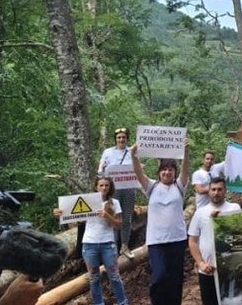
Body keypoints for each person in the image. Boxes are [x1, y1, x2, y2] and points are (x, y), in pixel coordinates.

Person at [130, 141, 190, 305]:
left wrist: (185, 153)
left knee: (175, 278)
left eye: (170, 169)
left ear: (174, 172)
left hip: (177, 239)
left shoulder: (179, 186)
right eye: (164, 169)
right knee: (159, 276)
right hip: (156, 241)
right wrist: (134, 155)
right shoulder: (151, 187)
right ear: (159, 173)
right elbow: (138, 173)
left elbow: (185, 169)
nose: (167, 172)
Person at [54, 177, 129, 305]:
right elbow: (70, 213)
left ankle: (123, 302)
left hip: (108, 243)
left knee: (114, 275)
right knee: (94, 277)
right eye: (101, 185)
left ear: (110, 188)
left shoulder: (114, 203)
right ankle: (98, 303)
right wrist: (59, 213)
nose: (104, 188)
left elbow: (119, 225)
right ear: (96, 187)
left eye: (106, 185)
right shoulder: (88, 201)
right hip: (89, 244)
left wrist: (107, 215)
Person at [188, 177, 241, 305]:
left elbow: (239, 232)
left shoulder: (234, 208)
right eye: (213, 189)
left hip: (230, 269)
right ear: (209, 191)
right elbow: (192, 241)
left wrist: (220, 220)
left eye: (219, 189)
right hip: (207, 270)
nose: (216, 192)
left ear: (225, 191)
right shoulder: (200, 212)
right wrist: (201, 263)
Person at [98, 127, 135, 259]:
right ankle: (112, 247)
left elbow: (136, 169)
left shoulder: (132, 152)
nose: (121, 139)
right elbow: (100, 172)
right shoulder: (107, 152)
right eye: (119, 137)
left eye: (124, 137)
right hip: (113, 190)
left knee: (126, 219)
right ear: (115, 139)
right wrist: (103, 170)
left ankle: (124, 246)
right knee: (112, 218)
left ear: (127, 139)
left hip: (129, 189)